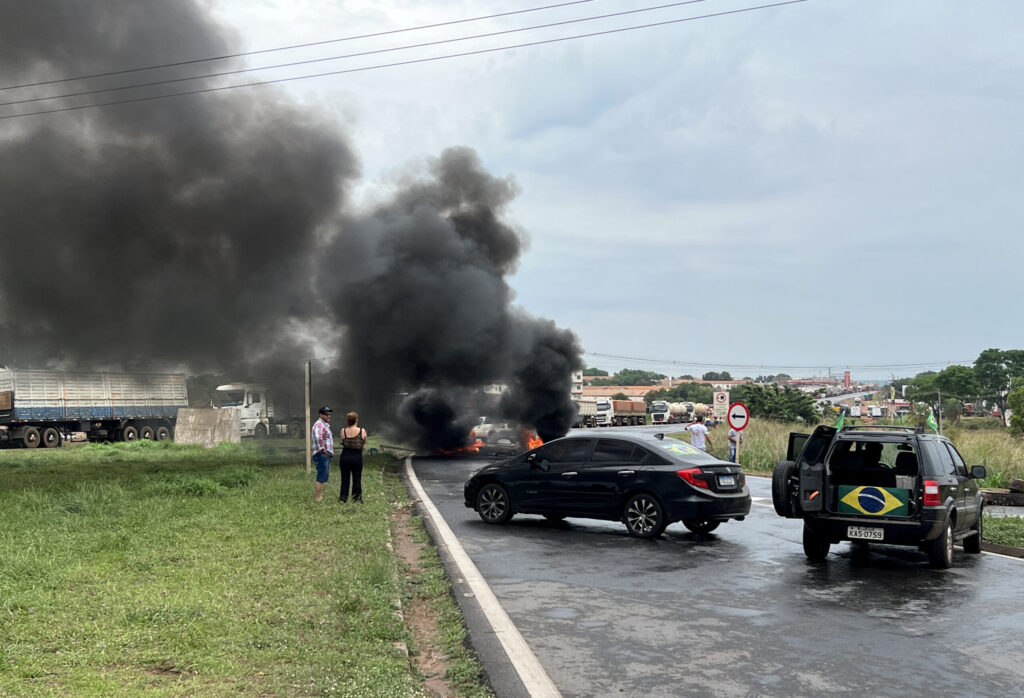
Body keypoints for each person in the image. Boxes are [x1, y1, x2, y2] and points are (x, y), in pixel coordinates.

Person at [338, 411, 368, 503]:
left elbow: (343, 440)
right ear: (356, 420)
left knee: (344, 478)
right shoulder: (362, 431)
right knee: (357, 478)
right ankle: (357, 498)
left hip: (345, 456)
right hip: (357, 456)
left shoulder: (343, 431)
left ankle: (343, 498)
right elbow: (364, 441)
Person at [311, 406, 334, 502]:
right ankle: (318, 497)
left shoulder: (325, 424)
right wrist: (322, 449)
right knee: (321, 475)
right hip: (322, 454)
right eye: (326, 414)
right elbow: (318, 437)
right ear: (320, 415)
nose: (328, 416)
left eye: (329, 414)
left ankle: (319, 496)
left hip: (325, 454)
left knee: (323, 475)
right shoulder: (319, 424)